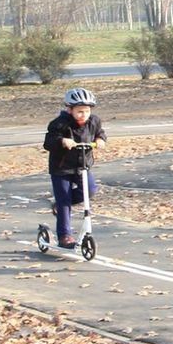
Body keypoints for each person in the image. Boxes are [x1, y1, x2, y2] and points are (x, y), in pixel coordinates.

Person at [43, 87, 107, 249]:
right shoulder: (59, 124)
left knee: (90, 190)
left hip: (82, 167)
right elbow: (48, 142)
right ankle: (65, 236)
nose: (83, 114)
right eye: (79, 111)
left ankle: (59, 205)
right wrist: (62, 141)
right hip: (61, 169)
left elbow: (100, 133)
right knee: (64, 200)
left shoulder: (94, 121)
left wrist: (100, 139)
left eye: (86, 111)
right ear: (69, 109)